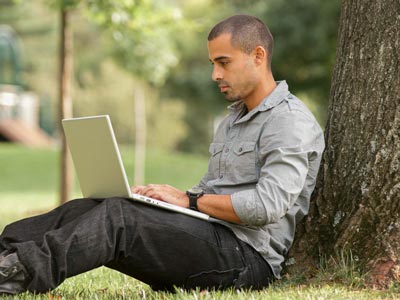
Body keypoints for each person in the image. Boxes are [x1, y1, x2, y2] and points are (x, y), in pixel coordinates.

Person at [0, 14, 325, 295]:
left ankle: (16, 276)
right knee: (101, 205)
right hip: (213, 237)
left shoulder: (289, 122)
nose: (215, 74)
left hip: (248, 259)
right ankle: (6, 250)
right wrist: (161, 200)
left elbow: (268, 206)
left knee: (120, 217)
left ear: (257, 56)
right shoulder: (233, 121)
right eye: (213, 63)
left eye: (223, 62)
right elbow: (210, 192)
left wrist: (190, 201)